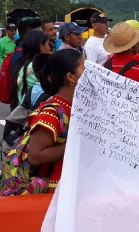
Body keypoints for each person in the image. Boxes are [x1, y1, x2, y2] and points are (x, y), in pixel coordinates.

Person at [27, 49, 85, 191]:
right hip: (55, 192)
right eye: (85, 68)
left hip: (72, 186)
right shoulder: (51, 112)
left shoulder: (76, 105)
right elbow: (35, 156)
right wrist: (77, 144)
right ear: (71, 77)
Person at [13, 30, 51, 109]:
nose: (49, 48)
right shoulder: (35, 67)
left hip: (24, 109)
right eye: (47, 44)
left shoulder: (24, 63)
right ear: (41, 46)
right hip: (33, 110)